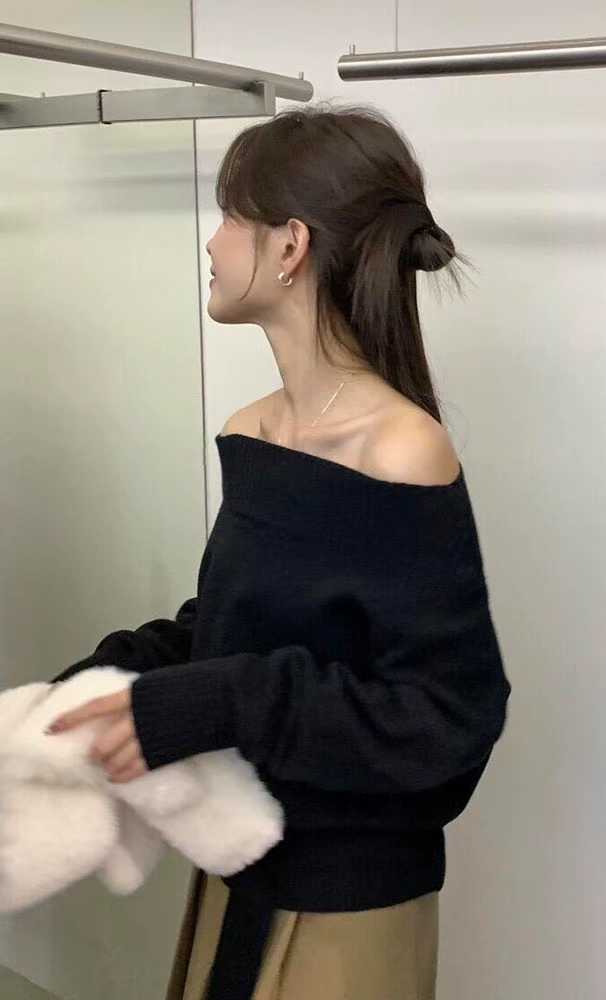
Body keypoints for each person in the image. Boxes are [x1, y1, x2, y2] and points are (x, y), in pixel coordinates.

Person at [47, 101, 512, 1000]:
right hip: (235, 873)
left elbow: (445, 717)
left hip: (347, 908)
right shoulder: (252, 431)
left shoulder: (403, 451)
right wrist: (107, 682)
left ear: (291, 245)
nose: (212, 241)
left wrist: (223, 701)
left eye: (230, 215)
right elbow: (230, 624)